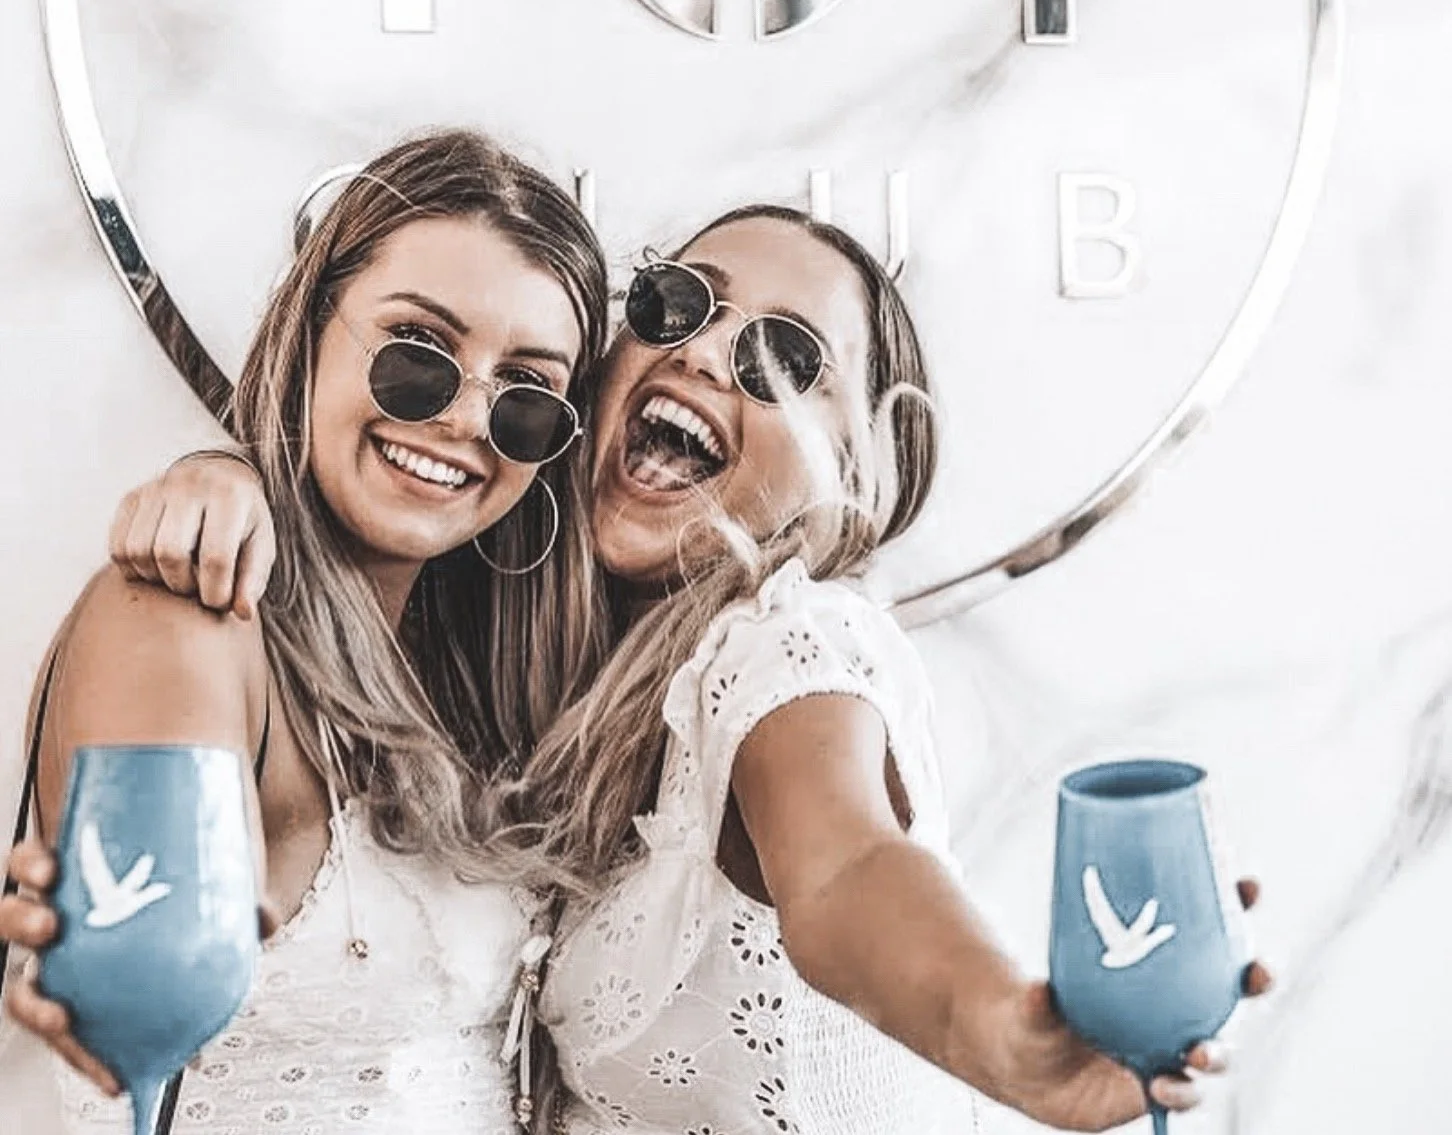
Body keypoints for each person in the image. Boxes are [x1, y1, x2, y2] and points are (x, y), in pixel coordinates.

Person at [5, 205, 1266, 1132]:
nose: (708, 355)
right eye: (673, 308)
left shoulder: (790, 641)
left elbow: (846, 873)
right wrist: (231, 478)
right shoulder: (524, 698)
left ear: (867, 462)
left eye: (783, 358)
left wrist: (1013, 1035)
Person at [0, 128, 610, 1134]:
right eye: (419, 354)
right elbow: (136, 973)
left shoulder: (482, 687)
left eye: (528, 399)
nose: (465, 420)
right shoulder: (187, 617)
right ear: (310, 332)